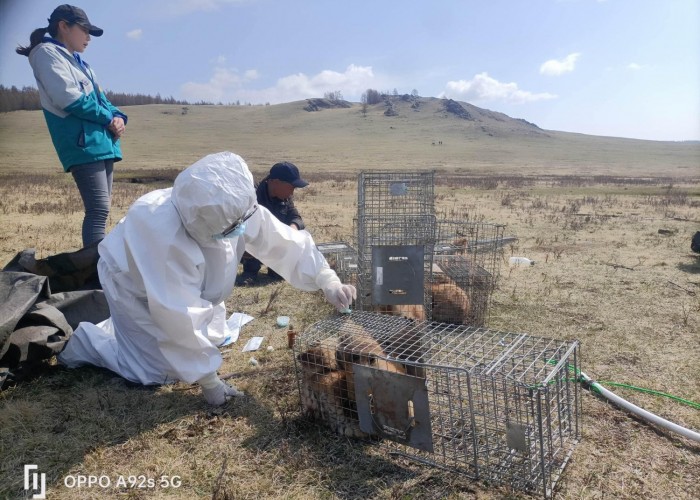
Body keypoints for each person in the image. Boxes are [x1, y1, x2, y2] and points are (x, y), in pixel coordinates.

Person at [58, 152, 356, 405]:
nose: (239, 231)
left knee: (211, 338)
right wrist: (210, 382)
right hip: (133, 284)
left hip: (187, 287)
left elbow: (283, 242)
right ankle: (86, 341)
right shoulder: (161, 234)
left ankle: (129, 332)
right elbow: (177, 312)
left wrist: (327, 280)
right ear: (204, 224)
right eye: (229, 229)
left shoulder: (232, 205)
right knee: (154, 371)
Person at [17, 4, 127, 247]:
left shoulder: (82, 64)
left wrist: (119, 117)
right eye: (85, 30)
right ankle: (94, 273)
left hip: (100, 142)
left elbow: (103, 100)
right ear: (64, 26)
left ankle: (98, 271)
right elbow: (69, 99)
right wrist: (108, 119)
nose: (88, 38)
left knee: (102, 211)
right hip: (83, 143)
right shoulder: (46, 54)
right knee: (98, 210)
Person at [237, 161, 308, 285]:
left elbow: (296, 218)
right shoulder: (252, 195)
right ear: (275, 182)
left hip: (274, 246)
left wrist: (293, 229)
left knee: (279, 275)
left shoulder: (286, 199)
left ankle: (276, 268)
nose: (292, 192)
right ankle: (250, 271)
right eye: (291, 187)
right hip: (250, 248)